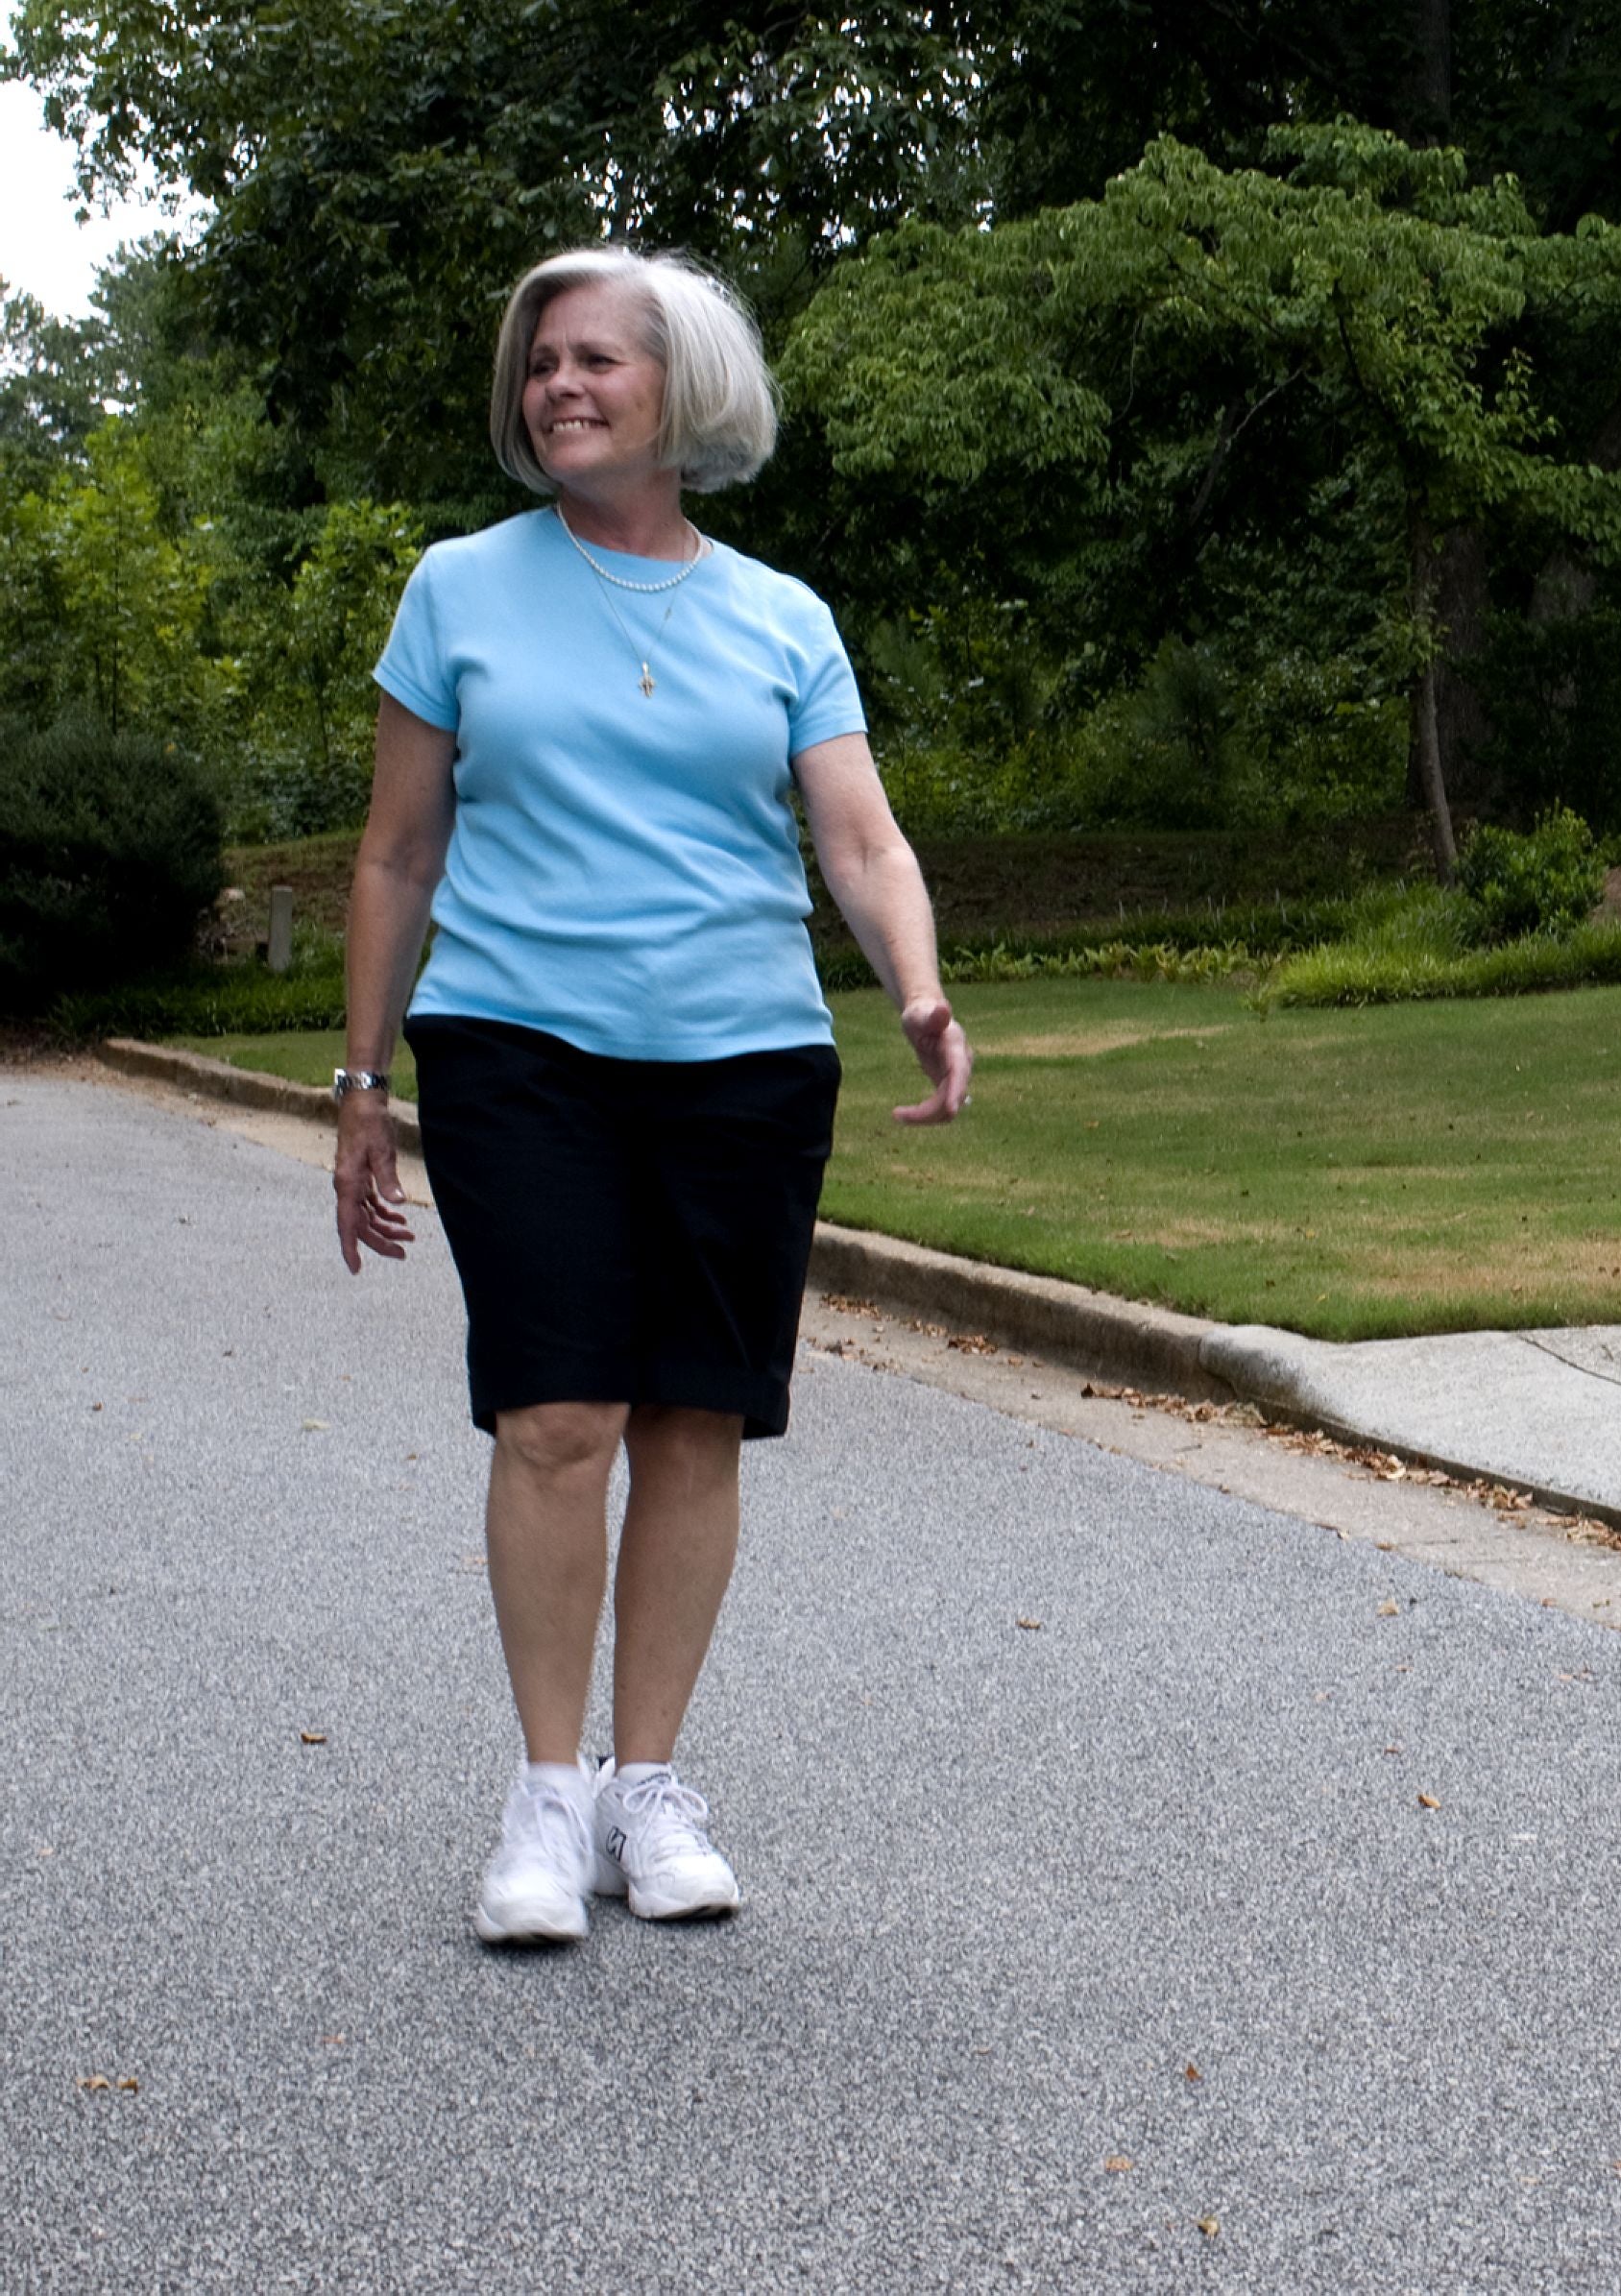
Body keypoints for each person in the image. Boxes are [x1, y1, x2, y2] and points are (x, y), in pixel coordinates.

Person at [330, 245, 970, 1945]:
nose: (559, 388)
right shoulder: (457, 588)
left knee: (695, 1414)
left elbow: (860, 834)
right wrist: (361, 1079)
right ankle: (547, 1803)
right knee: (558, 1412)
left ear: (680, 392)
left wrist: (914, 981)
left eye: (595, 361)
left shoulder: (781, 617)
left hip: (746, 1059)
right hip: (518, 1049)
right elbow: (399, 854)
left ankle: (649, 1787)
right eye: (541, 364)